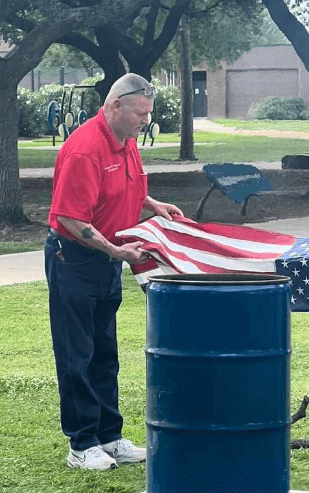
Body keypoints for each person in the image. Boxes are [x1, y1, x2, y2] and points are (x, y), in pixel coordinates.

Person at [44, 73, 183, 471]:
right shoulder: (84, 149)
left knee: (105, 354)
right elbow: (70, 218)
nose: (146, 121)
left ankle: (110, 436)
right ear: (116, 105)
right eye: (141, 113)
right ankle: (81, 443)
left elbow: (127, 187)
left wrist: (152, 204)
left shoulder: (126, 143)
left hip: (107, 262)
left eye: (148, 114)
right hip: (75, 261)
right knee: (77, 354)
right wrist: (115, 249)